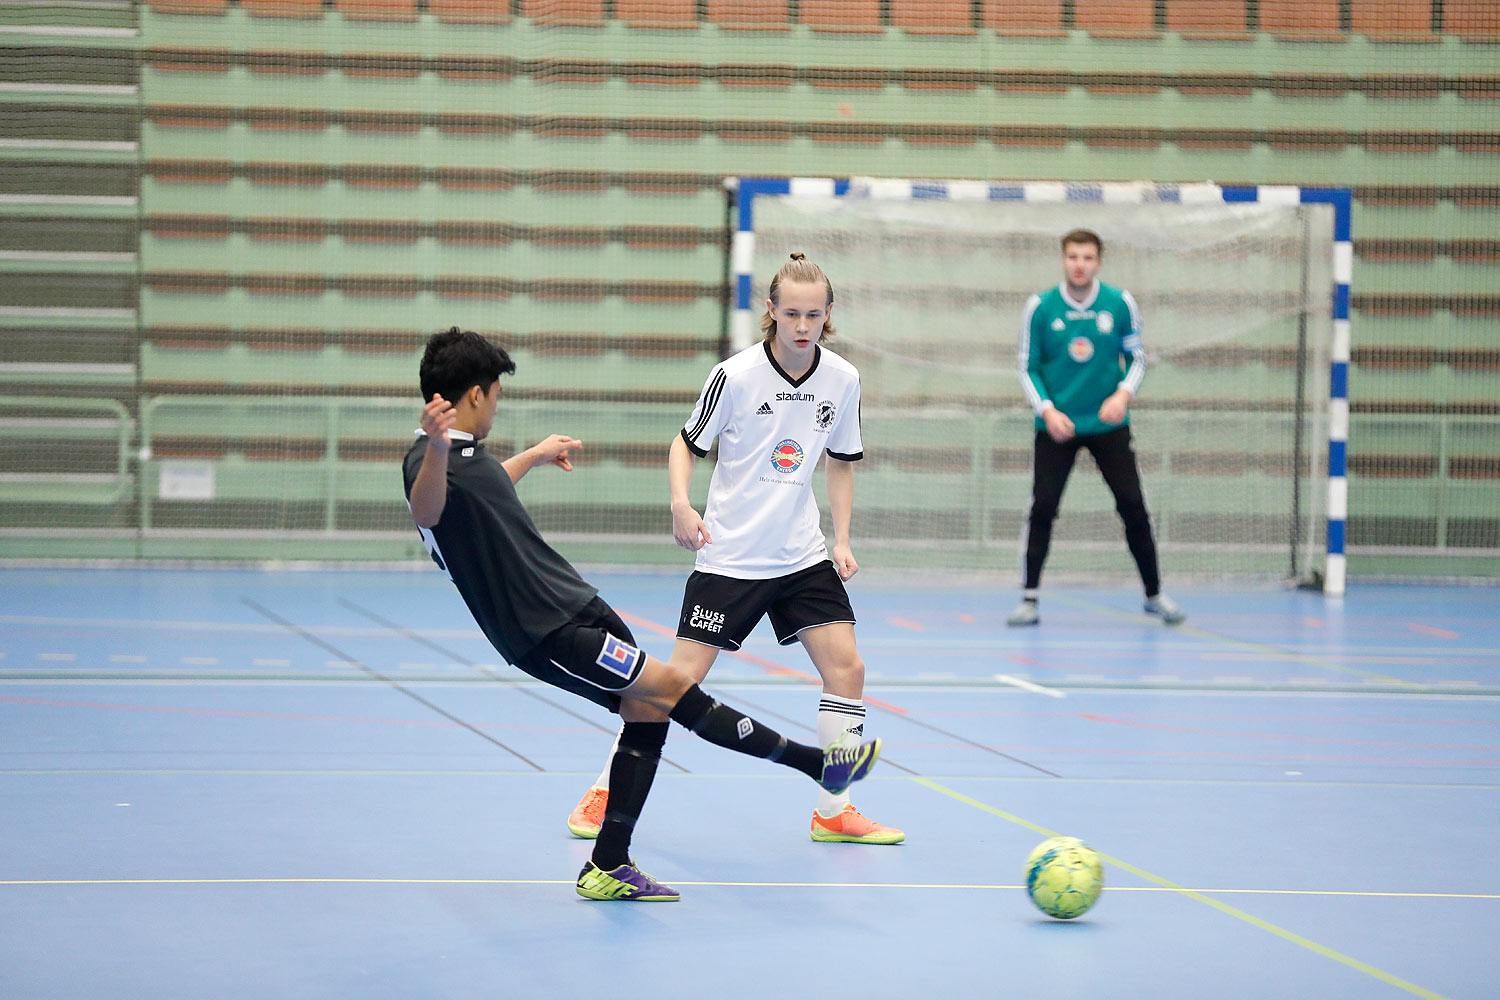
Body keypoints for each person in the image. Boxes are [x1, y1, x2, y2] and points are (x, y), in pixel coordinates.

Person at [403, 326, 882, 902]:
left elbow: (486, 488)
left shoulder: (468, 459)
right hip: (547, 630)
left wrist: (532, 454)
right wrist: (434, 447)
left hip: (575, 607)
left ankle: (609, 863)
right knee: (674, 691)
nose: (496, 409)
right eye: (496, 396)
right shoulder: (429, 460)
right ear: (475, 395)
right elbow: (428, 511)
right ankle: (817, 764)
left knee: (649, 713)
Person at [566, 254, 904, 847]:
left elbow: (842, 464)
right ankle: (604, 791)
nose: (802, 325)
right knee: (672, 684)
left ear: (828, 316)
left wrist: (843, 539)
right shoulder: (735, 375)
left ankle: (834, 809)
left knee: (847, 667)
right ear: (771, 311)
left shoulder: (843, 380)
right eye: (791, 313)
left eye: (813, 314)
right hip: (730, 560)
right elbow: (684, 444)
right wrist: (680, 503)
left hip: (801, 556)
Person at [1009, 229, 1186, 628]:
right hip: (1058, 426)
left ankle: (1154, 594)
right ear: (1063, 260)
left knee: (1134, 507)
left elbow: (1138, 358)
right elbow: (1026, 366)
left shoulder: (1119, 303)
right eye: (1073, 257)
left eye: (1087, 258)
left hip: (1109, 425)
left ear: (1098, 262)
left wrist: (1123, 394)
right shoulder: (1040, 307)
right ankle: (1029, 598)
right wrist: (1048, 410)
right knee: (1043, 508)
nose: (1080, 264)